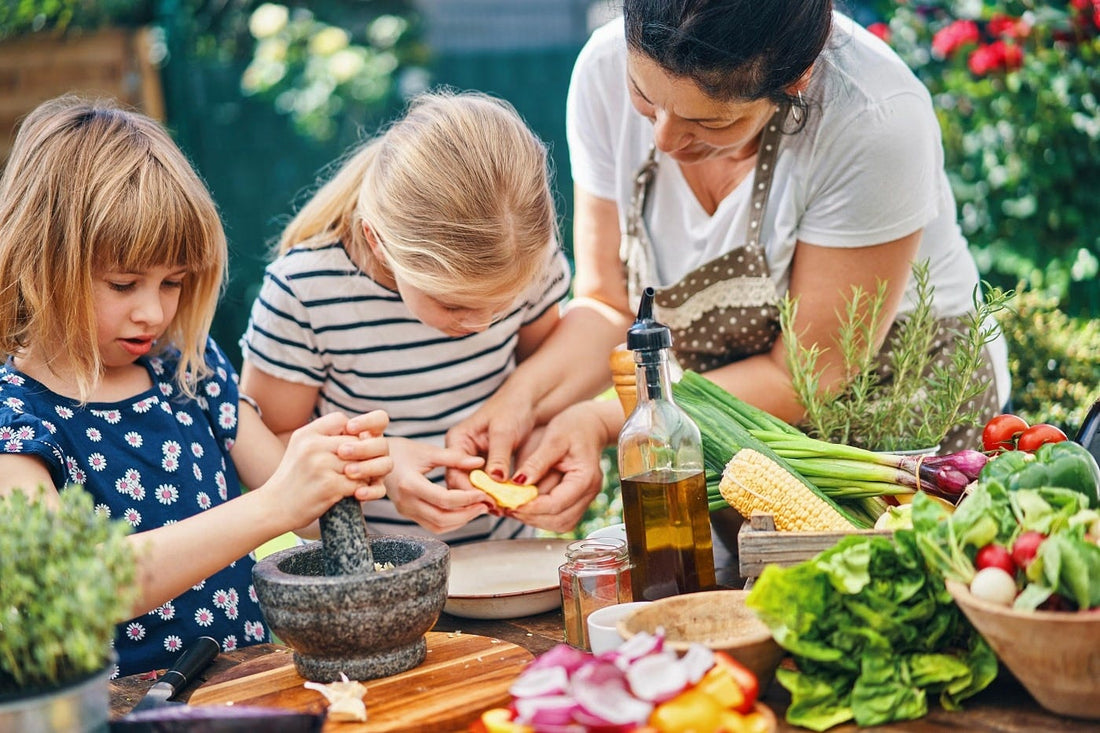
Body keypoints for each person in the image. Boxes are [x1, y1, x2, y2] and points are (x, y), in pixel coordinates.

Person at [443, 0, 1011, 538]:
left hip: (891, 422)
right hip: (714, 425)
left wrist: (605, 422)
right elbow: (607, 306)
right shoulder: (600, 69)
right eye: (645, 96)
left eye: (709, 123)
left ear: (796, 82)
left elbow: (805, 377)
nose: (663, 138)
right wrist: (521, 400)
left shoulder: (873, 119)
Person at [0, 95, 394, 678]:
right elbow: (80, 582)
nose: (152, 314)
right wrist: (273, 504)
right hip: (125, 707)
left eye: (174, 282)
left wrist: (337, 463)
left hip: (247, 680)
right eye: (124, 283)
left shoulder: (187, 370)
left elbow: (304, 513)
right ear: (42, 260)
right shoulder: (18, 417)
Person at [239, 90, 572, 542]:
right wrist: (382, 469)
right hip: (372, 592)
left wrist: (540, 451)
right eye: (453, 305)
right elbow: (268, 446)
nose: (481, 325)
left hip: (507, 573)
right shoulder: (305, 293)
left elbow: (541, 385)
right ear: (378, 242)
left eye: (504, 306)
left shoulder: (525, 258)